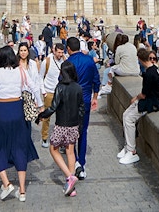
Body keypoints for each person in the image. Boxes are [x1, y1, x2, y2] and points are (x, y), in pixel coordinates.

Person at [0, 46, 41, 202]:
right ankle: (22, 191)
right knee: (19, 147)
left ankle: (7, 183)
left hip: (2, 110)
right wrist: (40, 104)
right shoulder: (20, 71)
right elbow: (34, 86)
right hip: (18, 109)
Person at [36, 60, 85, 197]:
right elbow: (82, 109)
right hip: (74, 124)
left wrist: (41, 115)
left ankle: (69, 176)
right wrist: (80, 126)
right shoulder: (78, 87)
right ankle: (71, 187)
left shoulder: (60, 87)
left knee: (53, 149)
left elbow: (53, 107)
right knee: (70, 152)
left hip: (61, 124)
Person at [117, 48, 159, 164]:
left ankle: (132, 151)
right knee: (126, 114)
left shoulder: (148, 74)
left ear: (140, 59)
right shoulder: (153, 70)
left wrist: (135, 98)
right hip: (151, 99)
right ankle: (128, 146)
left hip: (151, 103)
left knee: (128, 118)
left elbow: (144, 94)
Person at [66, 36, 100, 179]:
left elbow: (62, 83)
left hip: (71, 102)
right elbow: (96, 80)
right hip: (85, 100)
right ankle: (82, 163)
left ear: (68, 48)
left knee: (71, 132)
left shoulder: (68, 63)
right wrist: (95, 98)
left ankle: (74, 165)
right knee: (83, 132)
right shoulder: (89, 61)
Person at [39, 43, 66, 147]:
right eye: (58, 52)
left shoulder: (65, 60)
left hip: (61, 92)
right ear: (54, 51)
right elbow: (40, 76)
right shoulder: (47, 61)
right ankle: (45, 137)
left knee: (62, 116)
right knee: (47, 116)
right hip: (49, 91)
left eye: (62, 52)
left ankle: (62, 138)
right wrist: (43, 91)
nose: (60, 54)